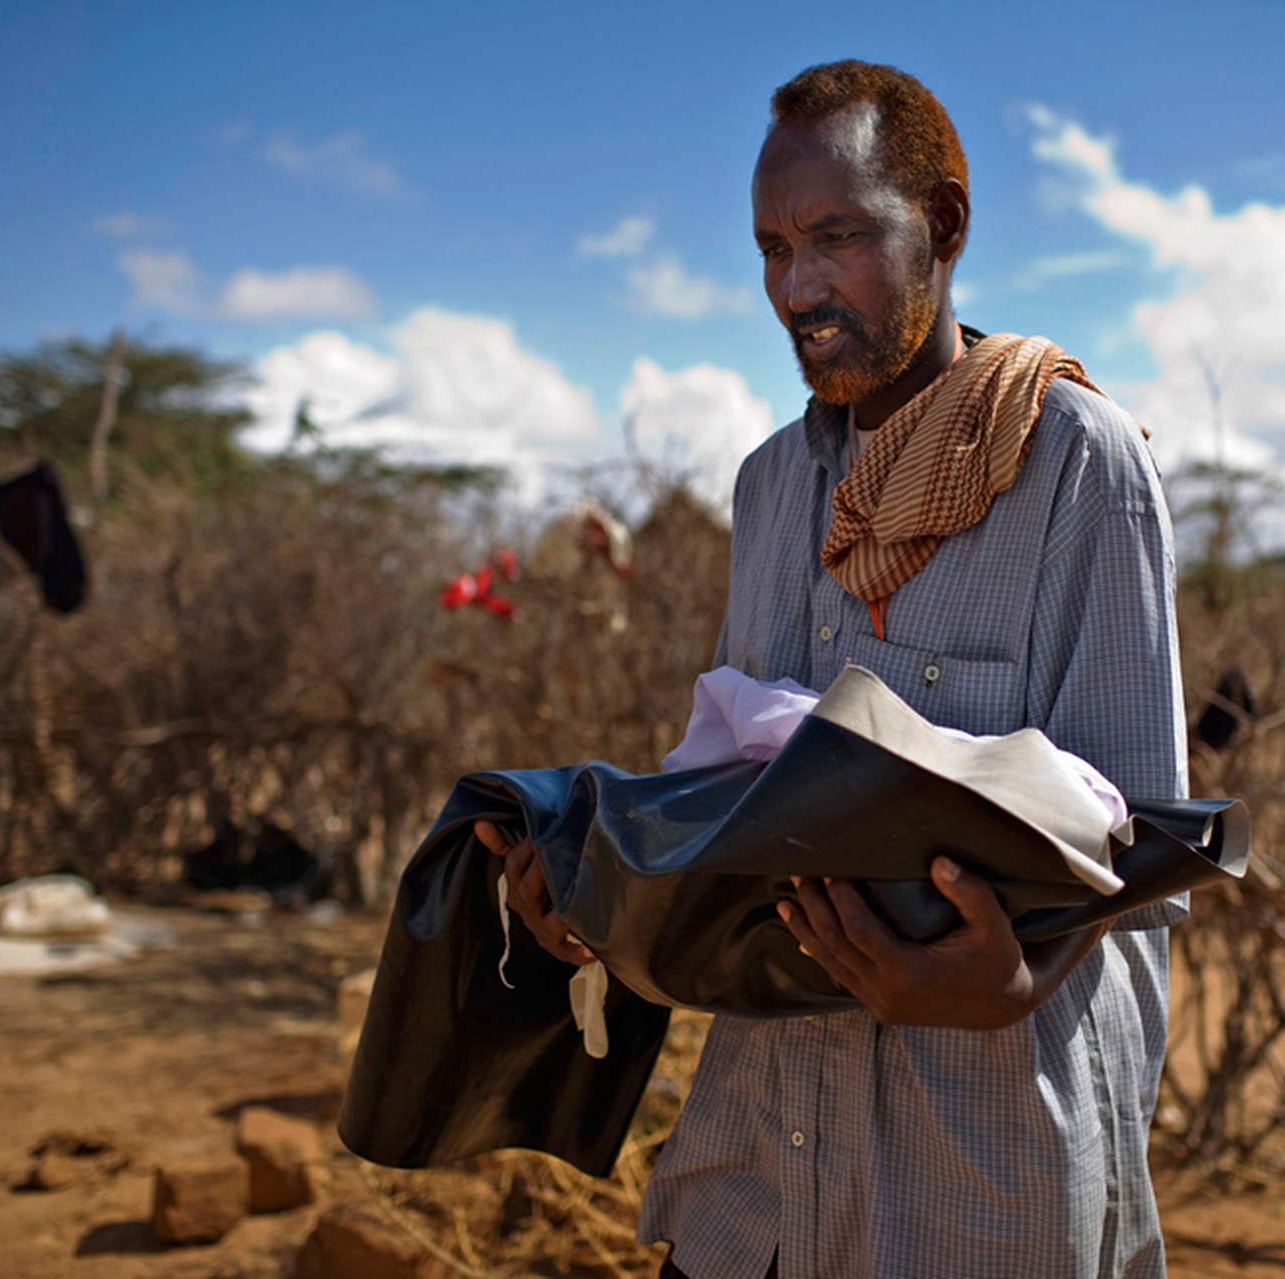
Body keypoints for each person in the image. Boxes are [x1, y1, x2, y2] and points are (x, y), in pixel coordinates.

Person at [489, 60, 1186, 1278]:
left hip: (974, 1177)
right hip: (758, 1169)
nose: (796, 288)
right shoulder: (770, 490)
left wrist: (1011, 978)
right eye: (770, 249)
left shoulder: (1079, 465)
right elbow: (745, 803)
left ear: (946, 226)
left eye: (838, 237)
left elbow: (1145, 836)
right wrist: (603, 906)